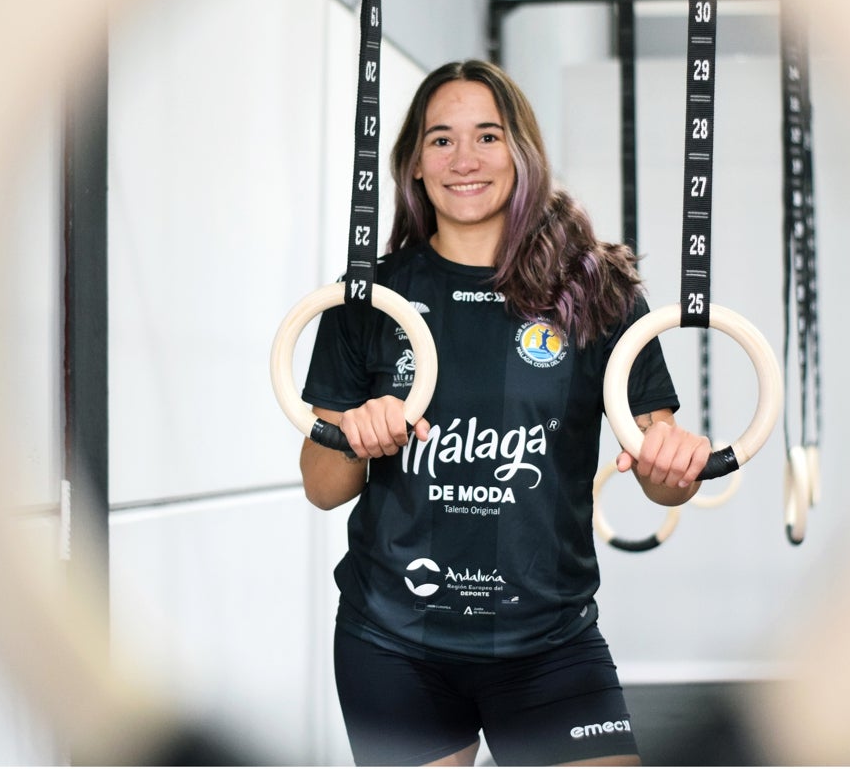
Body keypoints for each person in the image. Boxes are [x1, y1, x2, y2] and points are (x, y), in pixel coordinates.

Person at [300, 59, 711, 767]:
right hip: (394, 644)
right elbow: (322, 487)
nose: (465, 160)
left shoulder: (598, 289)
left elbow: (662, 475)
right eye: (441, 140)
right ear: (415, 164)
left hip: (549, 645)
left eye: (487, 136)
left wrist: (675, 463)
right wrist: (355, 437)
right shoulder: (369, 298)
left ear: (521, 154)